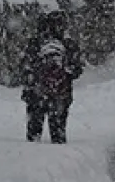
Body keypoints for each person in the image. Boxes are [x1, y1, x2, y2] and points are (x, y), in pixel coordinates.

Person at [21, 10, 83, 143]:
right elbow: (77, 70)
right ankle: (59, 157)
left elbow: (25, 67)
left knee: (34, 132)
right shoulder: (69, 45)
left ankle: (30, 156)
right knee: (58, 133)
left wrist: (30, 84)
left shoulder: (35, 43)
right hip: (61, 94)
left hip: (36, 93)